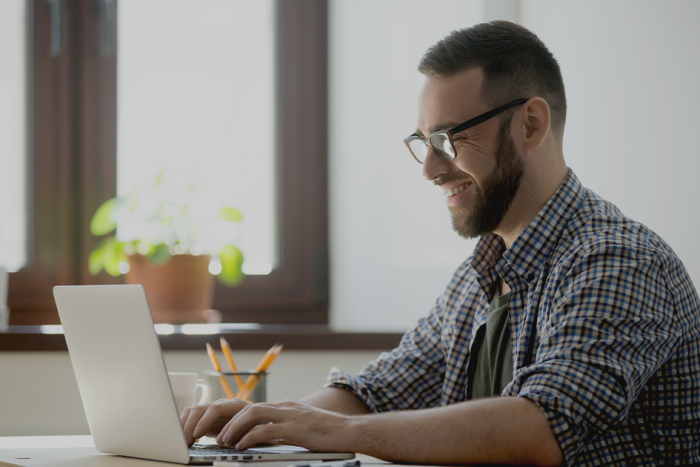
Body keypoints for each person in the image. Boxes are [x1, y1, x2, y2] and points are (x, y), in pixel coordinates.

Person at [181, 21, 700, 466]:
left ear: (531, 124)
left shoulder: (618, 259)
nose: (430, 169)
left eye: (450, 139)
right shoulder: (483, 272)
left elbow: (541, 428)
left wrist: (334, 434)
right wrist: (270, 420)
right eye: (423, 142)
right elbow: (379, 393)